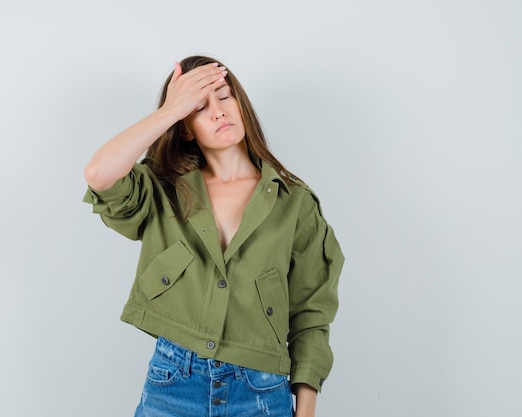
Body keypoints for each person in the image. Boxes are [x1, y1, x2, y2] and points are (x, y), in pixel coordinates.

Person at [83, 55, 344, 417]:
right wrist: (170, 110)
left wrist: (307, 411)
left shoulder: (294, 203)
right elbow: (99, 174)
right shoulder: (162, 188)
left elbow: (311, 315)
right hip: (173, 384)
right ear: (184, 126)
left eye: (223, 96)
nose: (219, 111)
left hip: (260, 393)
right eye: (199, 106)